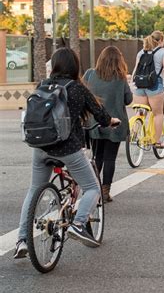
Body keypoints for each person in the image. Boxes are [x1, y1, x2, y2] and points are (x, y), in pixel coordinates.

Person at [14, 48, 121, 258]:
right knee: (92, 188)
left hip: (41, 148)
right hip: (68, 148)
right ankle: (78, 224)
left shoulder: (42, 86)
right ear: (74, 66)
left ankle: (22, 240)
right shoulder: (77, 88)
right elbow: (100, 115)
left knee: (34, 189)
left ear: (53, 65)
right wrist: (111, 121)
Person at [83, 46, 133, 202]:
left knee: (97, 157)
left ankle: (94, 189)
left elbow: (82, 92)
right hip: (115, 124)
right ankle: (105, 191)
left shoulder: (90, 74)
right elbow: (128, 100)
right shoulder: (120, 78)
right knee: (110, 158)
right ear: (119, 61)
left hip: (95, 123)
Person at [131, 30, 164, 147]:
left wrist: (133, 83)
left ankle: (134, 134)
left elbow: (135, 69)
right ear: (161, 40)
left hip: (139, 85)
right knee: (157, 114)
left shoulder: (141, 52)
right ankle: (156, 141)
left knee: (140, 113)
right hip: (154, 86)